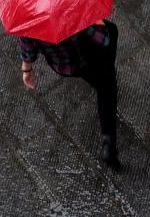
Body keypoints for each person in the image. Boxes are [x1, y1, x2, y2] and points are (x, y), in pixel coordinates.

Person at [18, 18, 121, 171]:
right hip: (89, 59)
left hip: (64, 66)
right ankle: (108, 140)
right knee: (106, 88)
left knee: (95, 79)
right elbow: (103, 40)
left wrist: (26, 70)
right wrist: (99, 23)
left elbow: (27, 47)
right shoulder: (72, 13)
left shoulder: (29, 20)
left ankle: (99, 80)